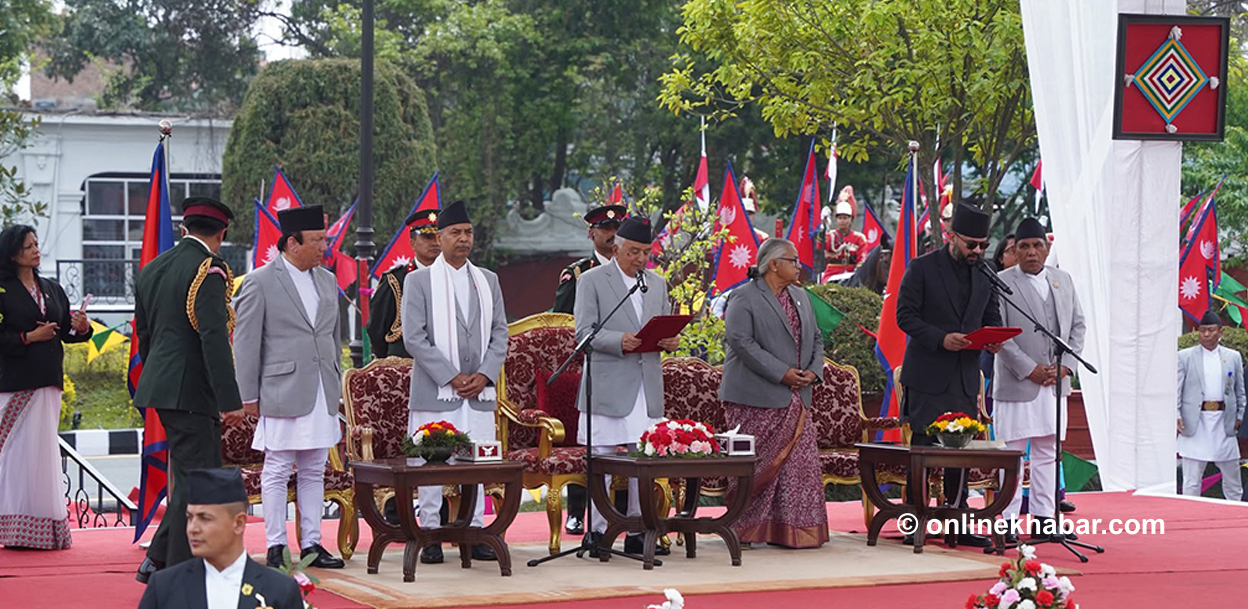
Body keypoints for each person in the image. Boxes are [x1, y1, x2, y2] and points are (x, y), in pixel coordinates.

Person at [134, 197, 245, 582]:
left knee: (190, 476)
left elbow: (145, 336)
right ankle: (180, 569)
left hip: (164, 385)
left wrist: (162, 377)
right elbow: (213, 338)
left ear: (184, 228)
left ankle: (159, 558)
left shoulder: (153, 268)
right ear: (221, 232)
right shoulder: (209, 269)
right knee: (198, 479)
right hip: (192, 389)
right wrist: (229, 399)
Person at [233, 205, 346, 570]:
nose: (324, 247)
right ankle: (276, 545)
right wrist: (248, 395)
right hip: (281, 388)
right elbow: (246, 343)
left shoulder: (326, 280)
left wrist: (336, 385)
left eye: (324, 240)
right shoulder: (260, 281)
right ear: (292, 243)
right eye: (317, 241)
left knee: (314, 468)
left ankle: (312, 544)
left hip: (321, 388)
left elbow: (331, 337)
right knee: (278, 468)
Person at [402, 200, 509, 565]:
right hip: (437, 389)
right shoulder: (418, 281)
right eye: (455, 233)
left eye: (468, 232)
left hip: (479, 390)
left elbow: (500, 332)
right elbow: (414, 337)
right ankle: (430, 531)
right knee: (433, 462)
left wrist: (485, 374)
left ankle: (474, 530)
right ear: (440, 237)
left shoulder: (487, 280)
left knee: (477, 461)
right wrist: (451, 376)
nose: (463, 239)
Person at [896, 202, 1003, 548]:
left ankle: (957, 523)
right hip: (928, 376)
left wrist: (994, 339)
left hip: (964, 377)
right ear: (951, 236)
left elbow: (991, 316)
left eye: (983, 245)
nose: (978, 252)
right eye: (971, 244)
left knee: (961, 454)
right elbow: (905, 316)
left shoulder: (985, 272)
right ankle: (915, 521)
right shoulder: (922, 268)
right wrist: (941, 339)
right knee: (924, 451)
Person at [574, 217, 679, 557]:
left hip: (645, 386)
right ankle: (598, 533)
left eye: (646, 252)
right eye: (634, 251)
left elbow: (662, 326)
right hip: (608, 384)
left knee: (641, 463)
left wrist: (671, 341)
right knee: (602, 463)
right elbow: (584, 333)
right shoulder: (591, 280)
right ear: (616, 248)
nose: (640, 259)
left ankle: (637, 531)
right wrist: (619, 340)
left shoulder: (657, 283)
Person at [720, 238, 828, 548]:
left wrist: (813, 371)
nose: (799, 266)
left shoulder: (801, 296)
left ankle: (794, 533)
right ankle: (745, 531)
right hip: (754, 398)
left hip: (797, 398)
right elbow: (741, 342)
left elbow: (816, 338)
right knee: (755, 467)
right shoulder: (743, 297)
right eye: (794, 261)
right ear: (774, 264)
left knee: (798, 470)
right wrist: (782, 374)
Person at [992, 218, 1086, 541]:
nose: (1031, 252)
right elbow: (999, 335)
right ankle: (1006, 521)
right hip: (1018, 383)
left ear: (1047, 249)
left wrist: (1066, 366)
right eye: (1024, 247)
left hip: (1055, 383)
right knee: (1012, 454)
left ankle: (1045, 519)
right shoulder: (1002, 282)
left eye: (1037, 246)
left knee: (1048, 452)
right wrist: (1029, 369)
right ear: (1015, 251)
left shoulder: (1063, 280)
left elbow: (1078, 327)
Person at [0, 225, 92, 550]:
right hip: (15, 383)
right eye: (28, 247)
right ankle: (13, 528)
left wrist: (82, 327)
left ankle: (43, 530)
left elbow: (66, 330)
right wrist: (28, 337)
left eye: (37, 244)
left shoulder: (51, 288)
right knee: (15, 455)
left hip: (48, 381)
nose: (36, 250)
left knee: (41, 456)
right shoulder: (3, 290)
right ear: (13, 254)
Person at [551, 202, 626, 536]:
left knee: (623, 442)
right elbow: (561, 322)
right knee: (588, 440)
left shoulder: (633, 272)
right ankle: (578, 511)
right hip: (587, 366)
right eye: (605, 229)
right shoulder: (578, 274)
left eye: (617, 229)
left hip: (625, 364)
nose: (612, 235)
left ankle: (623, 510)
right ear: (591, 234)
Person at [137, 467, 303, 609]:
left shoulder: (279, 589)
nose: (193, 528)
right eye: (189, 518)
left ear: (239, 523)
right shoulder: (165, 586)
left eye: (205, 518)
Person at [1177, 310, 1246, 501]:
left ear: (1220, 332)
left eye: (1211, 330)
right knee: (1191, 481)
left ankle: (1236, 513)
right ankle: (1190, 512)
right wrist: (1177, 415)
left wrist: (1240, 416)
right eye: (1202, 330)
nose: (1206, 335)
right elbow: (1177, 389)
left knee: (1232, 480)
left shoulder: (1233, 357)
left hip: (1224, 422)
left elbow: (1240, 391)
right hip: (1195, 421)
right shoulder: (1185, 357)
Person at [368, 208, 442, 360]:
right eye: (428, 237)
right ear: (412, 244)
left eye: (439, 237)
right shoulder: (395, 280)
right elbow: (376, 328)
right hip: (405, 363)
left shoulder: (453, 278)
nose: (435, 243)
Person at [822, 186, 867, 282]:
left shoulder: (859, 238)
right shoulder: (830, 236)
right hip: (832, 273)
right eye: (840, 218)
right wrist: (823, 225)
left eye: (845, 218)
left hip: (851, 274)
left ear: (851, 219)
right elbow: (820, 245)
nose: (842, 221)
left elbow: (862, 259)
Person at [740, 177, 770, 244]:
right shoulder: (727, 237)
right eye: (744, 213)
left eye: (750, 214)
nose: (747, 217)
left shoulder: (762, 238)